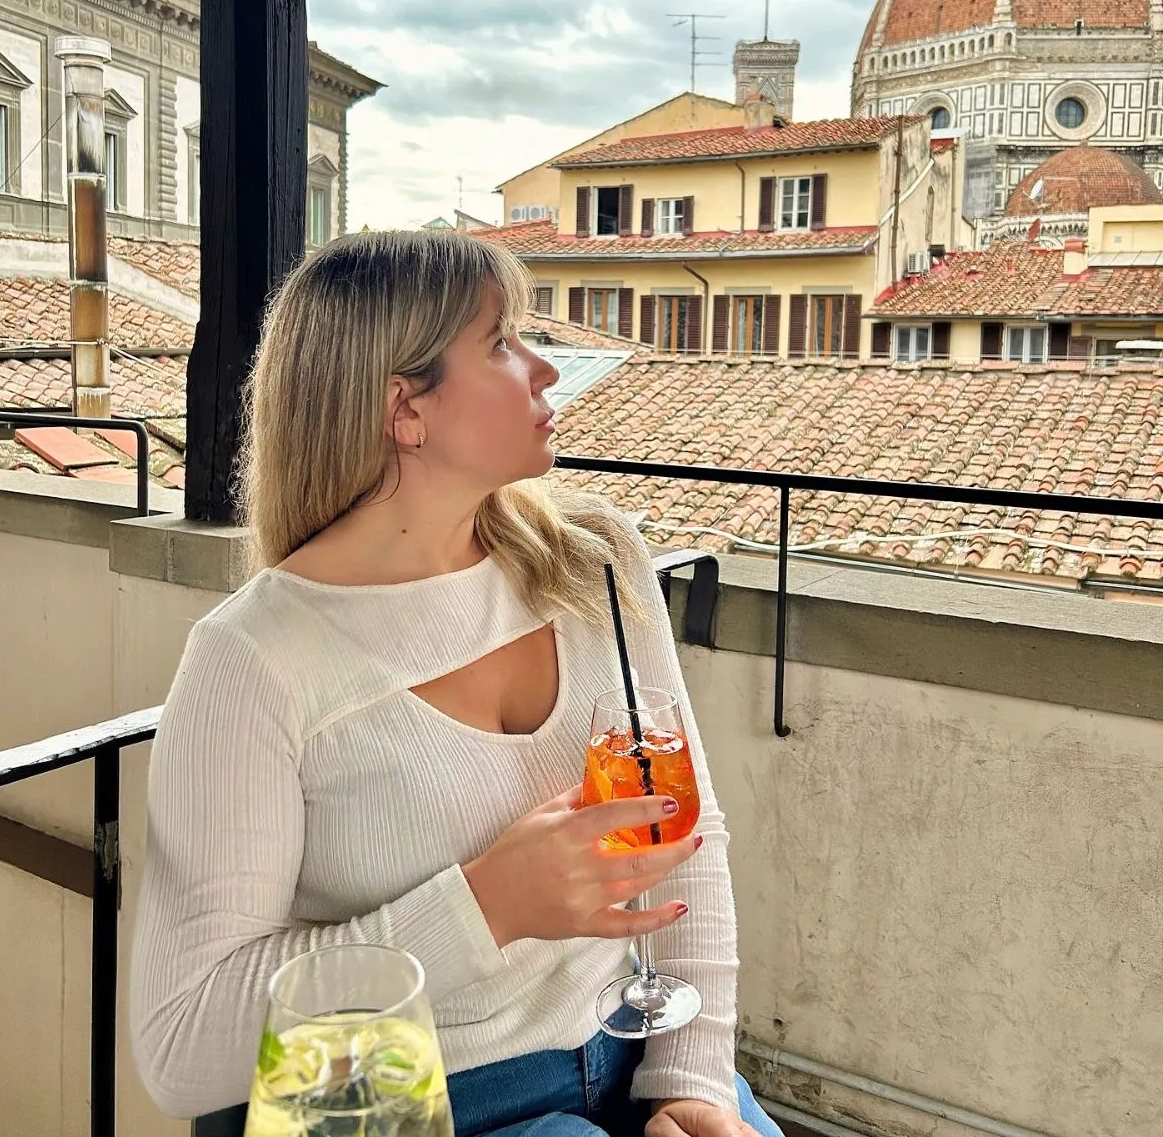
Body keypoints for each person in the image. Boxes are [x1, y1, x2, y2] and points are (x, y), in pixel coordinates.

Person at [129, 229, 783, 1137]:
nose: (546, 370)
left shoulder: (599, 562)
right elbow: (183, 1042)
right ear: (406, 409)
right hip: (426, 1100)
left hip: (637, 1060)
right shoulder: (253, 659)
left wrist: (693, 1080)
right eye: (502, 342)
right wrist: (485, 907)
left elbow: (687, 837)